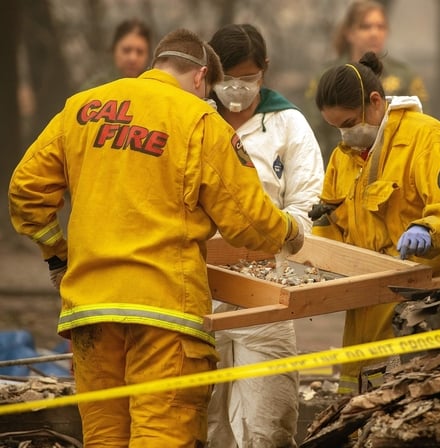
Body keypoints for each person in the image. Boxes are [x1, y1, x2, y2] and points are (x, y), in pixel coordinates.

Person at [7, 28, 304, 447]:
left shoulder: (81, 108)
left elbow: (25, 191)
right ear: (201, 77)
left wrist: (59, 256)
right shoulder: (199, 120)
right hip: (165, 316)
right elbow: (248, 224)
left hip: (91, 311)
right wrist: (291, 229)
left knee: (105, 438)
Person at [310, 52, 440, 394]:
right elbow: (330, 219)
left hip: (430, 302)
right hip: (368, 305)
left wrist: (429, 228)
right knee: (362, 401)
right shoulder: (343, 158)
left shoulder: (427, 140)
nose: (344, 136)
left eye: (347, 124)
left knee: (420, 401)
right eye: (336, 129)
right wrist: (318, 262)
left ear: (375, 102)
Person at [207, 24, 324, 448]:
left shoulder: (287, 123)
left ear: (265, 71)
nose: (236, 89)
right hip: (198, 285)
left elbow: (307, 203)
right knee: (200, 417)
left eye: (248, 77)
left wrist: (281, 236)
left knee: (270, 419)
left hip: (266, 284)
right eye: (227, 78)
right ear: (209, 71)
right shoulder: (192, 118)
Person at [304, 0, 429, 166]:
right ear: (349, 32)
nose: (374, 33)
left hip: (394, 166)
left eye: (380, 27)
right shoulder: (327, 77)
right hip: (341, 165)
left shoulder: (405, 75)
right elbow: (314, 131)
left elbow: (421, 124)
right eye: (366, 27)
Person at [82, 18, 152, 89]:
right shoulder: (94, 89)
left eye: (140, 52)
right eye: (126, 50)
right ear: (114, 50)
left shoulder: (154, 88)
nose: (133, 58)